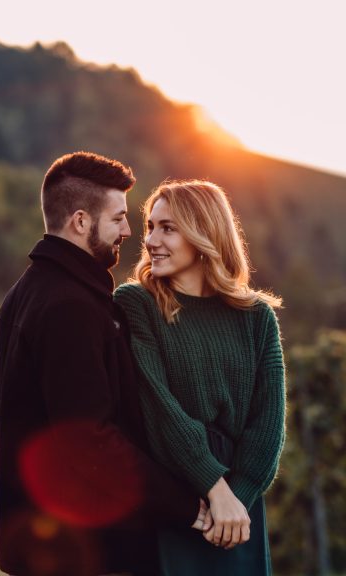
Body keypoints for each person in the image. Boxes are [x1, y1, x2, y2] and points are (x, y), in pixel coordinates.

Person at [0, 154, 208, 576]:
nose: (129, 232)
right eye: (118, 218)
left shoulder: (27, 293)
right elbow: (90, 441)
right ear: (79, 221)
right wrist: (187, 507)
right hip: (87, 549)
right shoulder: (69, 306)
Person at [114, 179, 286, 575]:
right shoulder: (136, 302)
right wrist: (214, 491)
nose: (152, 240)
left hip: (240, 508)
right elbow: (158, 406)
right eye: (151, 227)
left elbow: (267, 425)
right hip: (176, 495)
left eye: (168, 228)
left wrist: (237, 503)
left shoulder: (257, 317)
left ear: (204, 233)